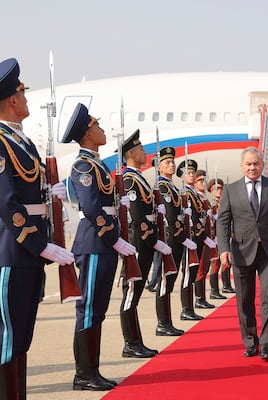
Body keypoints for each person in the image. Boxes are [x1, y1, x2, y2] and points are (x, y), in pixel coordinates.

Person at [0, 58, 74, 399]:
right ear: (12, 100)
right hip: (13, 251)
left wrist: (49, 193)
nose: (27, 99)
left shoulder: (23, 142)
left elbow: (28, 190)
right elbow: (6, 203)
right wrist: (39, 244)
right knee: (8, 338)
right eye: (22, 94)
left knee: (23, 338)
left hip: (28, 253)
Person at [62, 103, 137, 391]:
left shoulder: (97, 164)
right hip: (94, 243)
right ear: (87, 133)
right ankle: (84, 374)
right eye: (98, 126)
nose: (103, 130)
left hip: (103, 244)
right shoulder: (83, 165)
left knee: (99, 308)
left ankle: (91, 370)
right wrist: (114, 238)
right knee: (89, 307)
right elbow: (92, 208)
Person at [217, 146, 268, 361]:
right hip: (240, 251)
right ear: (242, 166)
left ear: (262, 165)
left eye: (256, 163)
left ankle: (267, 342)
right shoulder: (231, 190)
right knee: (244, 299)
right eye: (248, 164)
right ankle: (250, 342)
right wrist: (223, 249)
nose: (252, 167)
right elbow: (223, 222)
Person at [120, 129, 172, 358]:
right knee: (131, 292)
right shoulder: (129, 179)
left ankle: (136, 340)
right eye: (141, 149)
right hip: (138, 242)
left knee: (137, 293)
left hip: (146, 241)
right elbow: (138, 216)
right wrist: (153, 241)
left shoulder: (139, 177)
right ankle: (130, 342)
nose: (145, 152)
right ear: (131, 153)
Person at [154, 146, 198, 335]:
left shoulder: (171, 186)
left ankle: (167, 321)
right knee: (165, 281)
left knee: (170, 281)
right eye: (167, 163)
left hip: (177, 240)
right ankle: (163, 323)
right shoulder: (162, 186)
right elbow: (171, 218)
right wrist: (182, 238)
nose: (171, 165)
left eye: (172, 162)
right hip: (170, 239)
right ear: (159, 167)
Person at [175, 159, 205, 321]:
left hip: (197, 237)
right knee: (188, 273)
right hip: (189, 237)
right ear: (182, 176)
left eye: (193, 172)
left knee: (193, 272)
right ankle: (186, 309)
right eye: (189, 173)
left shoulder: (192, 192)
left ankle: (190, 307)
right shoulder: (183, 192)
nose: (192, 175)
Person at [193, 170, 216, 309]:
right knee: (200, 269)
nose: (203, 183)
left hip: (209, 237)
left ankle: (202, 297)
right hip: (200, 238)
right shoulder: (196, 197)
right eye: (200, 181)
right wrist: (204, 237)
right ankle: (199, 298)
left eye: (204, 180)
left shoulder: (205, 198)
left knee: (205, 268)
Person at [207, 178, 232, 299]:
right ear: (211, 191)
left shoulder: (224, 203)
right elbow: (210, 223)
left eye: (221, 189)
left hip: (226, 237)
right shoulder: (212, 204)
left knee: (227, 262)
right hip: (215, 238)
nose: (219, 191)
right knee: (215, 263)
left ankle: (226, 285)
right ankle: (214, 290)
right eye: (216, 189)